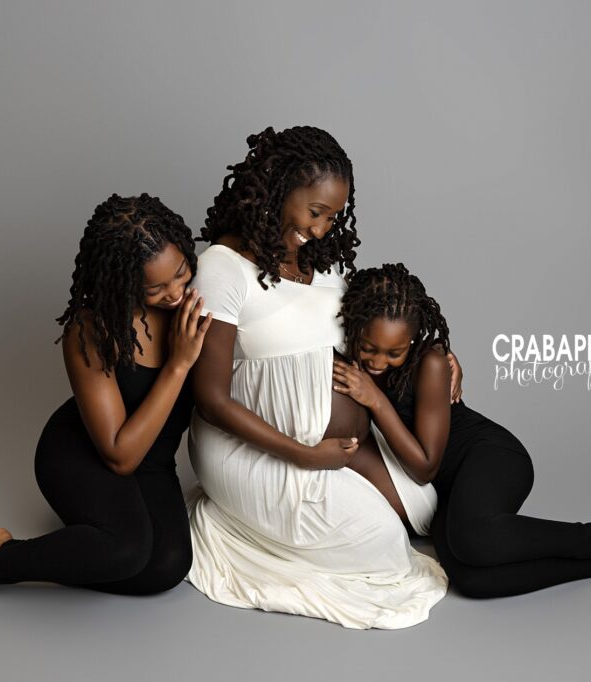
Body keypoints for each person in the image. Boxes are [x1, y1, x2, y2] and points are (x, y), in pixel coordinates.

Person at [0, 194, 211, 623]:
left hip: (152, 462)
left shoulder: (197, 303)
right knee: (125, 550)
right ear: (124, 283)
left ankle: (0, 547)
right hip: (84, 454)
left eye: (182, 274)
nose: (175, 293)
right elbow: (120, 454)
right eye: (155, 288)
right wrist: (180, 363)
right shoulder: (92, 329)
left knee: (164, 568)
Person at [185, 126, 461, 630]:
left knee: (420, 508)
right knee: (385, 547)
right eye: (315, 212)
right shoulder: (223, 269)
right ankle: (234, 517)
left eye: (334, 216)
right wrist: (305, 455)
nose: (321, 228)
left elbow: (386, 313)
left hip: (340, 443)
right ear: (276, 187)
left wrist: (436, 350)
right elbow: (209, 399)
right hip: (260, 449)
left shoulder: (327, 264)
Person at [331, 263, 591, 598]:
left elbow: (425, 466)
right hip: (448, 491)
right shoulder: (352, 363)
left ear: (411, 340)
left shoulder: (431, 363)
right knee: (470, 580)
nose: (378, 362)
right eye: (368, 349)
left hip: (490, 456)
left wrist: (375, 400)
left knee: (475, 541)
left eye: (394, 352)